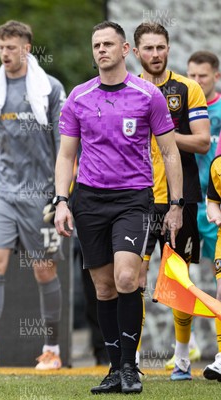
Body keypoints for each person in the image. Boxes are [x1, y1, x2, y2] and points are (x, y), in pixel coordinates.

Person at [54, 21, 182, 395]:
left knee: (128, 279)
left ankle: (130, 367)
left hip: (134, 198)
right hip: (89, 199)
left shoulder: (148, 95)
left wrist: (175, 204)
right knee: (104, 289)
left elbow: (170, 152)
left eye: (108, 44)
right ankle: (114, 369)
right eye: (96, 44)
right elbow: (66, 155)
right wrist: (62, 200)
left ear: (126, 50)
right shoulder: (78, 96)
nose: (101, 50)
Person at [0, 20, 65, 370]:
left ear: (27, 48)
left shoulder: (49, 88)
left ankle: (52, 348)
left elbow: (63, 146)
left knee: (43, 269)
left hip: (42, 194)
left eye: (12, 47)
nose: (5, 54)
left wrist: (59, 194)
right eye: (1, 47)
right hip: (4, 192)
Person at [133, 22, 210, 380]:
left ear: (168, 48)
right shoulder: (126, 89)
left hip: (183, 197)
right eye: (148, 48)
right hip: (136, 198)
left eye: (161, 47)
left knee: (180, 279)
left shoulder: (187, 88)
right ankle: (129, 360)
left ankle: (181, 360)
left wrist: (163, 134)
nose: (155, 54)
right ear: (135, 52)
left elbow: (203, 142)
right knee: (133, 278)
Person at [188, 50, 221, 380]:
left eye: (203, 76)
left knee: (218, 275)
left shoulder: (220, 110)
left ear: (216, 77)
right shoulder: (182, 105)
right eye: (192, 76)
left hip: (215, 204)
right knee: (182, 273)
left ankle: (220, 350)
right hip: (186, 201)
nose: (197, 82)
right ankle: (188, 345)